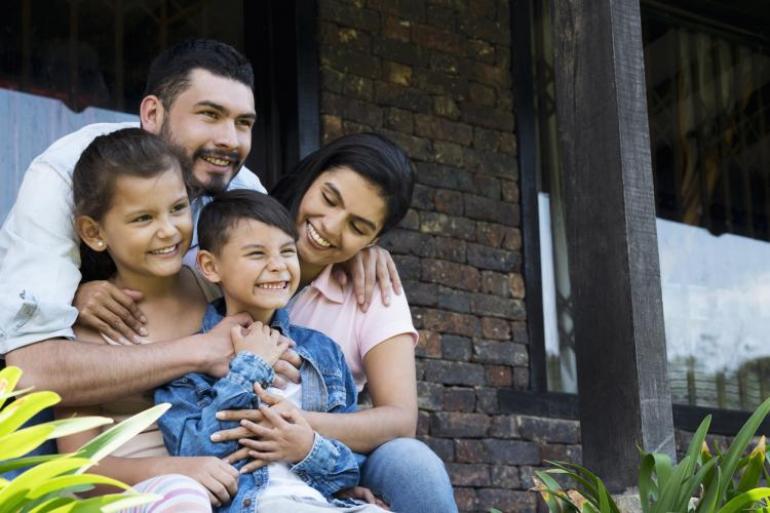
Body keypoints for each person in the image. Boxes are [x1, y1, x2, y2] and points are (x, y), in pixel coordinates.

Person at [2, 39, 267, 404]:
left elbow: (282, 273)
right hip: (65, 404)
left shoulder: (241, 187)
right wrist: (202, 350)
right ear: (153, 114)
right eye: (209, 114)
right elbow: (30, 371)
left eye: (243, 122)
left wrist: (355, 254)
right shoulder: (65, 175)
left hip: (194, 403)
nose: (229, 140)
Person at [213, 133, 459, 513]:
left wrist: (298, 428)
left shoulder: (373, 290)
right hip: (223, 450)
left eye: (358, 227)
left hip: (327, 456)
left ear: (374, 239)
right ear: (313, 176)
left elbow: (399, 419)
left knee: (414, 464)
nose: (330, 226)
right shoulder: (234, 240)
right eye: (329, 198)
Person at [156, 189, 388, 513]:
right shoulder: (187, 360)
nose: (278, 266)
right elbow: (193, 452)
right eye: (257, 254)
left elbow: (348, 471)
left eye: (287, 251)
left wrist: (306, 447)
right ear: (210, 266)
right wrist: (250, 366)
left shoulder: (324, 354)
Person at [55, 128, 225, 511]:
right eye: (143, 218)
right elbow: (80, 469)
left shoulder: (216, 287)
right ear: (94, 232)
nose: (169, 230)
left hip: (231, 480)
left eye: (179, 208)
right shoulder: (86, 326)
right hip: (139, 496)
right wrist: (182, 471)